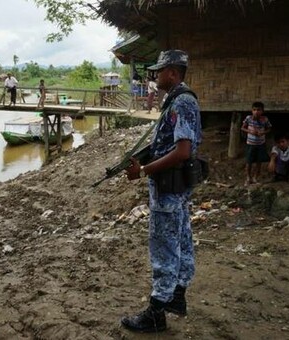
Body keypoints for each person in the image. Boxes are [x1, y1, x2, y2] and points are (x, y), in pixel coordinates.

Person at [121, 50, 202, 333]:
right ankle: (177, 297)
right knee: (180, 238)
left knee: (164, 246)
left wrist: (143, 171)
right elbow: (173, 145)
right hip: (173, 187)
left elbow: (182, 151)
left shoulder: (182, 102)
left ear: (172, 73)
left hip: (168, 189)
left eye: (159, 71)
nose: (155, 76)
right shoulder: (179, 100)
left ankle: (157, 312)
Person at [241, 101, 272, 185]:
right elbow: (243, 128)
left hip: (260, 144)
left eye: (258, 110)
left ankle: (255, 177)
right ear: (252, 110)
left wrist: (263, 132)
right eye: (254, 110)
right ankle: (248, 177)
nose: (256, 112)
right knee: (249, 161)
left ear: (262, 111)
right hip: (250, 144)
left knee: (259, 162)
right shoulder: (248, 118)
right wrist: (250, 131)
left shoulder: (265, 119)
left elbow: (269, 129)